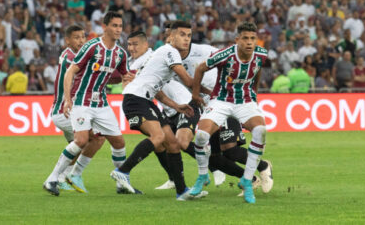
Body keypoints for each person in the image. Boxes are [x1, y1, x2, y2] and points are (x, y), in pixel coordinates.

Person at [111, 21, 207, 201]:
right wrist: (212, 90)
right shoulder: (170, 51)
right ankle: (123, 171)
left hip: (146, 100)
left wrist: (176, 106)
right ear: (171, 37)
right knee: (158, 137)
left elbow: (159, 92)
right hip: (135, 100)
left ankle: (181, 191)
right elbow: (187, 81)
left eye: (188, 36)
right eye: (181, 35)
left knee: (172, 143)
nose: (186, 39)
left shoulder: (162, 55)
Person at [43, 12, 129, 196]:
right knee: (82, 140)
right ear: (104, 27)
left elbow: (121, 77)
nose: (118, 30)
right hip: (81, 100)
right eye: (114, 25)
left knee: (118, 141)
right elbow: (70, 72)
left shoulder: (120, 53)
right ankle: (52, 179)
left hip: (102, 103)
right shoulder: (91, 46)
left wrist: (133, 81)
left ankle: (121, 182)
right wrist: (67, 99)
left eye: (120, 26)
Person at [189, 22, 268, 204]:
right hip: (222, 100)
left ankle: (247, 181)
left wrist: (254, 93)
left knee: (260, 131)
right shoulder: (225, 54)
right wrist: (195, 95)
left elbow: (257, 71)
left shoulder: (261, 55)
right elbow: (200, 68)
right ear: (237, 40)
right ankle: (203, 176)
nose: (249, 42)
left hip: (245, 101)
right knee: (201, 136)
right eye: (245, 38)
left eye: (252, 39)